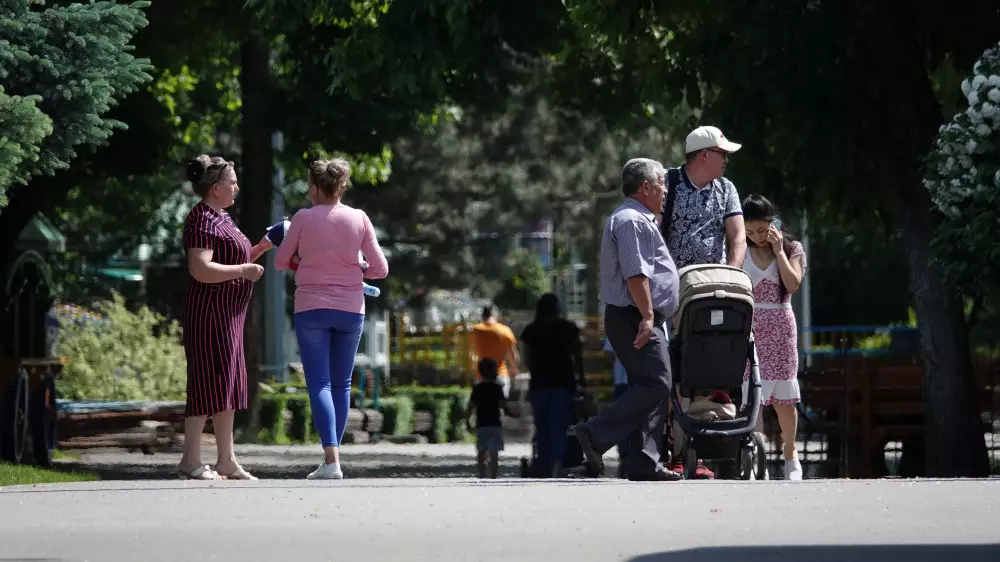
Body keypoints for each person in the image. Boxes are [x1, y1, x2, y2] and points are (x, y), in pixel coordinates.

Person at [274, 158, 388, 480]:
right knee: (341, 384)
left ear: (313, 187)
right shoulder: (359, 218)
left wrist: (304, 259)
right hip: (351, 309)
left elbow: (281, 262)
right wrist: (357, 266)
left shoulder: (302, 218)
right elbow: (380, 269)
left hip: (311, 308)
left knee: (319, 383)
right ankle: (332, 460)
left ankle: (331, 460)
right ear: (341, 187)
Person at [573, 157, 682, 481]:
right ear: (645, 187)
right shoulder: (632, 220)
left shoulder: (635, 218)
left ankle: (644, 461)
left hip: (637, 315)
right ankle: (595, 433)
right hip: (634, 315)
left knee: (649, 385)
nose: (666, 190)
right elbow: (636, 274)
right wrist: (647, 316)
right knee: (658, 383)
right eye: (661, 183)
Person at [661, 125, 748, 480]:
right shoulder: (668, 184)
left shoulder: (726, 189)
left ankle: (708, 447)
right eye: (722, 154)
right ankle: (676, 451)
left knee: (712, 362)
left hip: (715, 290)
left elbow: (738, 236)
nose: (726, 160)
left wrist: (732, 277)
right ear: (704, 155)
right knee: (676, 370)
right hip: (674, 293)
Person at [179, 155, 272, 481]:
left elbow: (230, 257)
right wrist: (244, 270)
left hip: (229, 315)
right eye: (232, 182)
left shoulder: (222, 217)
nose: (237, 187)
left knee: (227, 385)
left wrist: (258, 250)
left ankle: (226, 459)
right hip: (209, 314)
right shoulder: (201, 219)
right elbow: (200, 268)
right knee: (206, 383)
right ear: (216, 188)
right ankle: (190, 460)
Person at [741, 194, 807, 480]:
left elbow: (793, 284)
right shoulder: (740, 250)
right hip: (751, 328)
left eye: (761, 229)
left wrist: (779, 251)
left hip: (781, 326)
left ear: (773, 223)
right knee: (753, 397)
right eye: (749, 231)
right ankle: (758, 460)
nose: (756, 237)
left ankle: (791, 456)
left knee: (784, 399)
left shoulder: (793, 248)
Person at [519, 293, 586, 478]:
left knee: (542, 428)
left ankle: (544, 465)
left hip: (539, 385)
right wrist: (582, 380)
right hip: (563, 384)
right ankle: (557, 465)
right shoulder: (569, 329)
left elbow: (526, 360)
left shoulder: (530, 331)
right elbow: (578, 357)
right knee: (559, 427)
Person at [465, 358, 509, 478]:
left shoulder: (477, 388)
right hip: (495, 423)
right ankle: (493, 475)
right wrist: (513, 414)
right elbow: (503, 405)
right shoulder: (497, 387)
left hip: (481, 423)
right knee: (494, 452)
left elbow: (471, 406)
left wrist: (467, 420)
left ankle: (482, 474)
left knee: (481, 451)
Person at [469, 304, 519, 397]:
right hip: (500, 375)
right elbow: (512, 355)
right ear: (496, 315)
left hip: (481, 377)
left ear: (482, 315)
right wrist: (513, 369)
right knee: (500, 404)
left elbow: (470, 352)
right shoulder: (504, 330)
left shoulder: (475, 330)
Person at [602, 336, 631, 478]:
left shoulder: (615, 326)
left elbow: (608, 355)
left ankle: (625, 454)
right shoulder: (654, 326)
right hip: (641, 381)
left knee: (621, 420)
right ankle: (636, 453)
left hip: (621, 380)